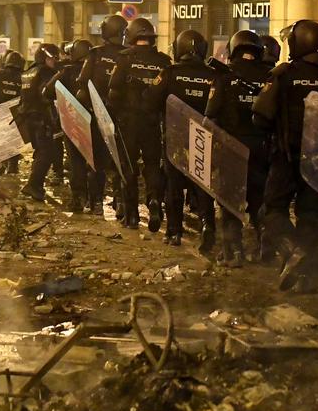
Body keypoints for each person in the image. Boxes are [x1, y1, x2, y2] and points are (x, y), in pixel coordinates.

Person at [253, 20, 318, 289]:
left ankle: (292, 252)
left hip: (287, 158)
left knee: (272, 210)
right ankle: (307, 278)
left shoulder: (284, 74)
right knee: (310, 218)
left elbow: (261, 117)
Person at [145, 29, 218, 251]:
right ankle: (208, 226)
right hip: (203, 138)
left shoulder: (169, 73)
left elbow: (150, 101)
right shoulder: (213, 75)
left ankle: (174, 232)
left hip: (175, 136)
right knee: (203, 183)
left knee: (174, 186)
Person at [205, 30, 271, 266]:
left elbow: (210, 115)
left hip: (231, 147)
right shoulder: (269, 77)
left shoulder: (223, 78)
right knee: (259, 198)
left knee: (230, 199)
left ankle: (234, 252)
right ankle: (265, 249)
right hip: (262, 149)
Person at [108, 18, 171, 231]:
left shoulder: (124, 59)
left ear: (132, 36)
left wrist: (115, 116)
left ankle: (132, 216)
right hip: (152, 124)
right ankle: (154, 202)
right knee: (153, 165)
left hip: (129, 123)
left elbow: (113, 91)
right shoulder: (163, 61)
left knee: (129, 166)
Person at [78, 14, 129, 217]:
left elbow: (82, 83)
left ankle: (97, 202)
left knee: (96, 163)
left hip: (97, 116)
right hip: (122, 118)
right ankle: (121, 203)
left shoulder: (95, 54)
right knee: (121, 161)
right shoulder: (128, 55)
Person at [45, 40, 94, 212]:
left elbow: (47, 91)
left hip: (74, 123)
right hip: (96, 123)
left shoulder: (67, 71)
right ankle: (97, 202)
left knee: (76, 161)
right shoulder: (97, 68)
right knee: (97, 162)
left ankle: (79, 197)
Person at [19, 44, 61, 202]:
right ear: (44, 57)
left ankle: (36, 185)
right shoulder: (45, 72)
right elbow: (46, 94)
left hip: (29, 118)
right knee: (47, 153)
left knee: (40, 152)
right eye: (52, 58)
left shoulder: (27, 72)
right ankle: (33, 185)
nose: (54, 61)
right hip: (42, 118)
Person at [0, 51, 25, 174]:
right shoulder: (24, 76)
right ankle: (13, 166)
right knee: (14, 140)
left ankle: (0, 165)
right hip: (17, 113)